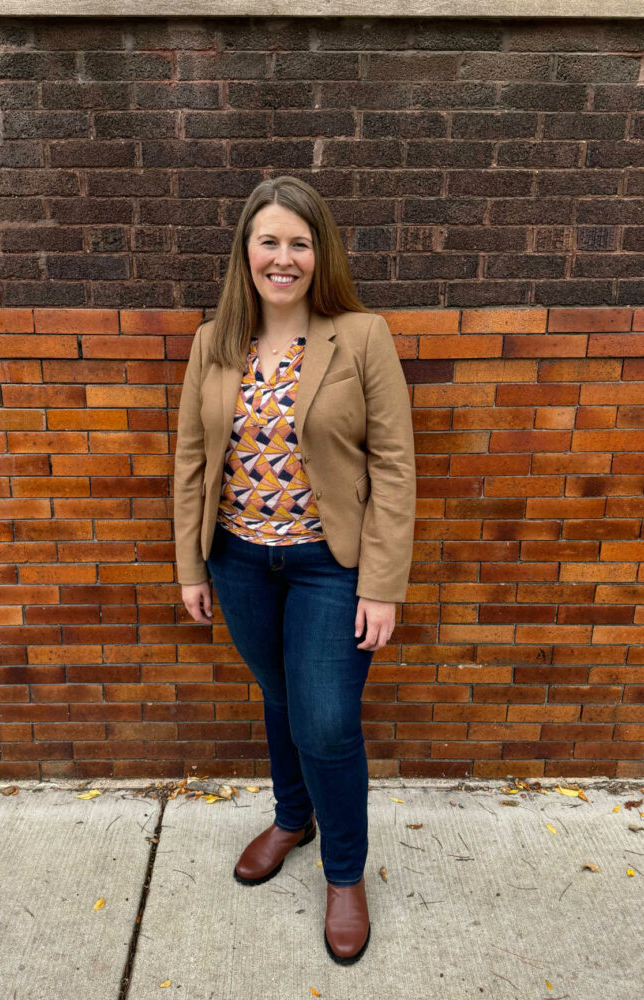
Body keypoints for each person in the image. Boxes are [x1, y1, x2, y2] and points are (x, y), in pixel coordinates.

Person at [173, 175, 416, 965]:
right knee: (280, 698)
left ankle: (344, 874)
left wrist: (381, 584)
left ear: (321, 253)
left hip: (326, 568)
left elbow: (394, 465)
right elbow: (189, 460)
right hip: (239, 561)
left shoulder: (362, 335)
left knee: (326, 721)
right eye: (269, 241)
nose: (284, 258)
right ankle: (291, 817)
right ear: (246, 250)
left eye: (299, 243)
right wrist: (192, 566)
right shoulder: (214, 341)